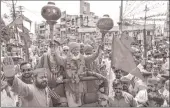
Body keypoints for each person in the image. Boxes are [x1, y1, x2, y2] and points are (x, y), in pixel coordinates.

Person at [53, 42, 102, 107]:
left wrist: (98, 50)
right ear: (70, 50)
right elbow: (58, 59)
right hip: (70, 89)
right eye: (74, 49)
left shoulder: (83, 58)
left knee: (81, 105)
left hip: (81, 89)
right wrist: (55, 49)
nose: (76, 51)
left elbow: (92, 57)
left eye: (77, 49)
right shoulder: (65, 60)